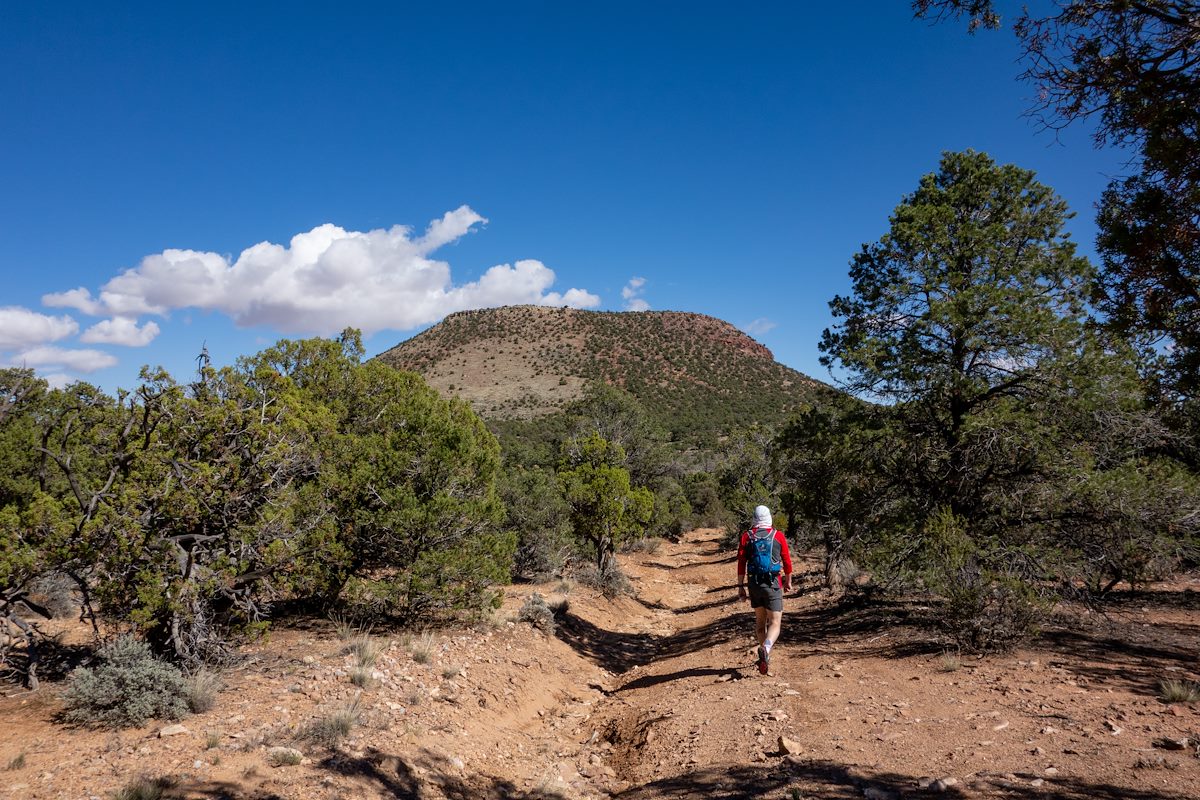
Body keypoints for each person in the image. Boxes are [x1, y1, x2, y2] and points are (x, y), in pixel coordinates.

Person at [737, 504, 793, 674]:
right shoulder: (778, 536)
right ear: (769, 517)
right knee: (775, 623)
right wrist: (788, 581)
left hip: (754, 583)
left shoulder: (746, 536)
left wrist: (741, 586)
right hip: (773, 583)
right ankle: (766, 649)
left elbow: (741, 563)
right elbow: (787, 562)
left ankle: (764, 656)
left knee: (761, 623)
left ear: (754, 518)